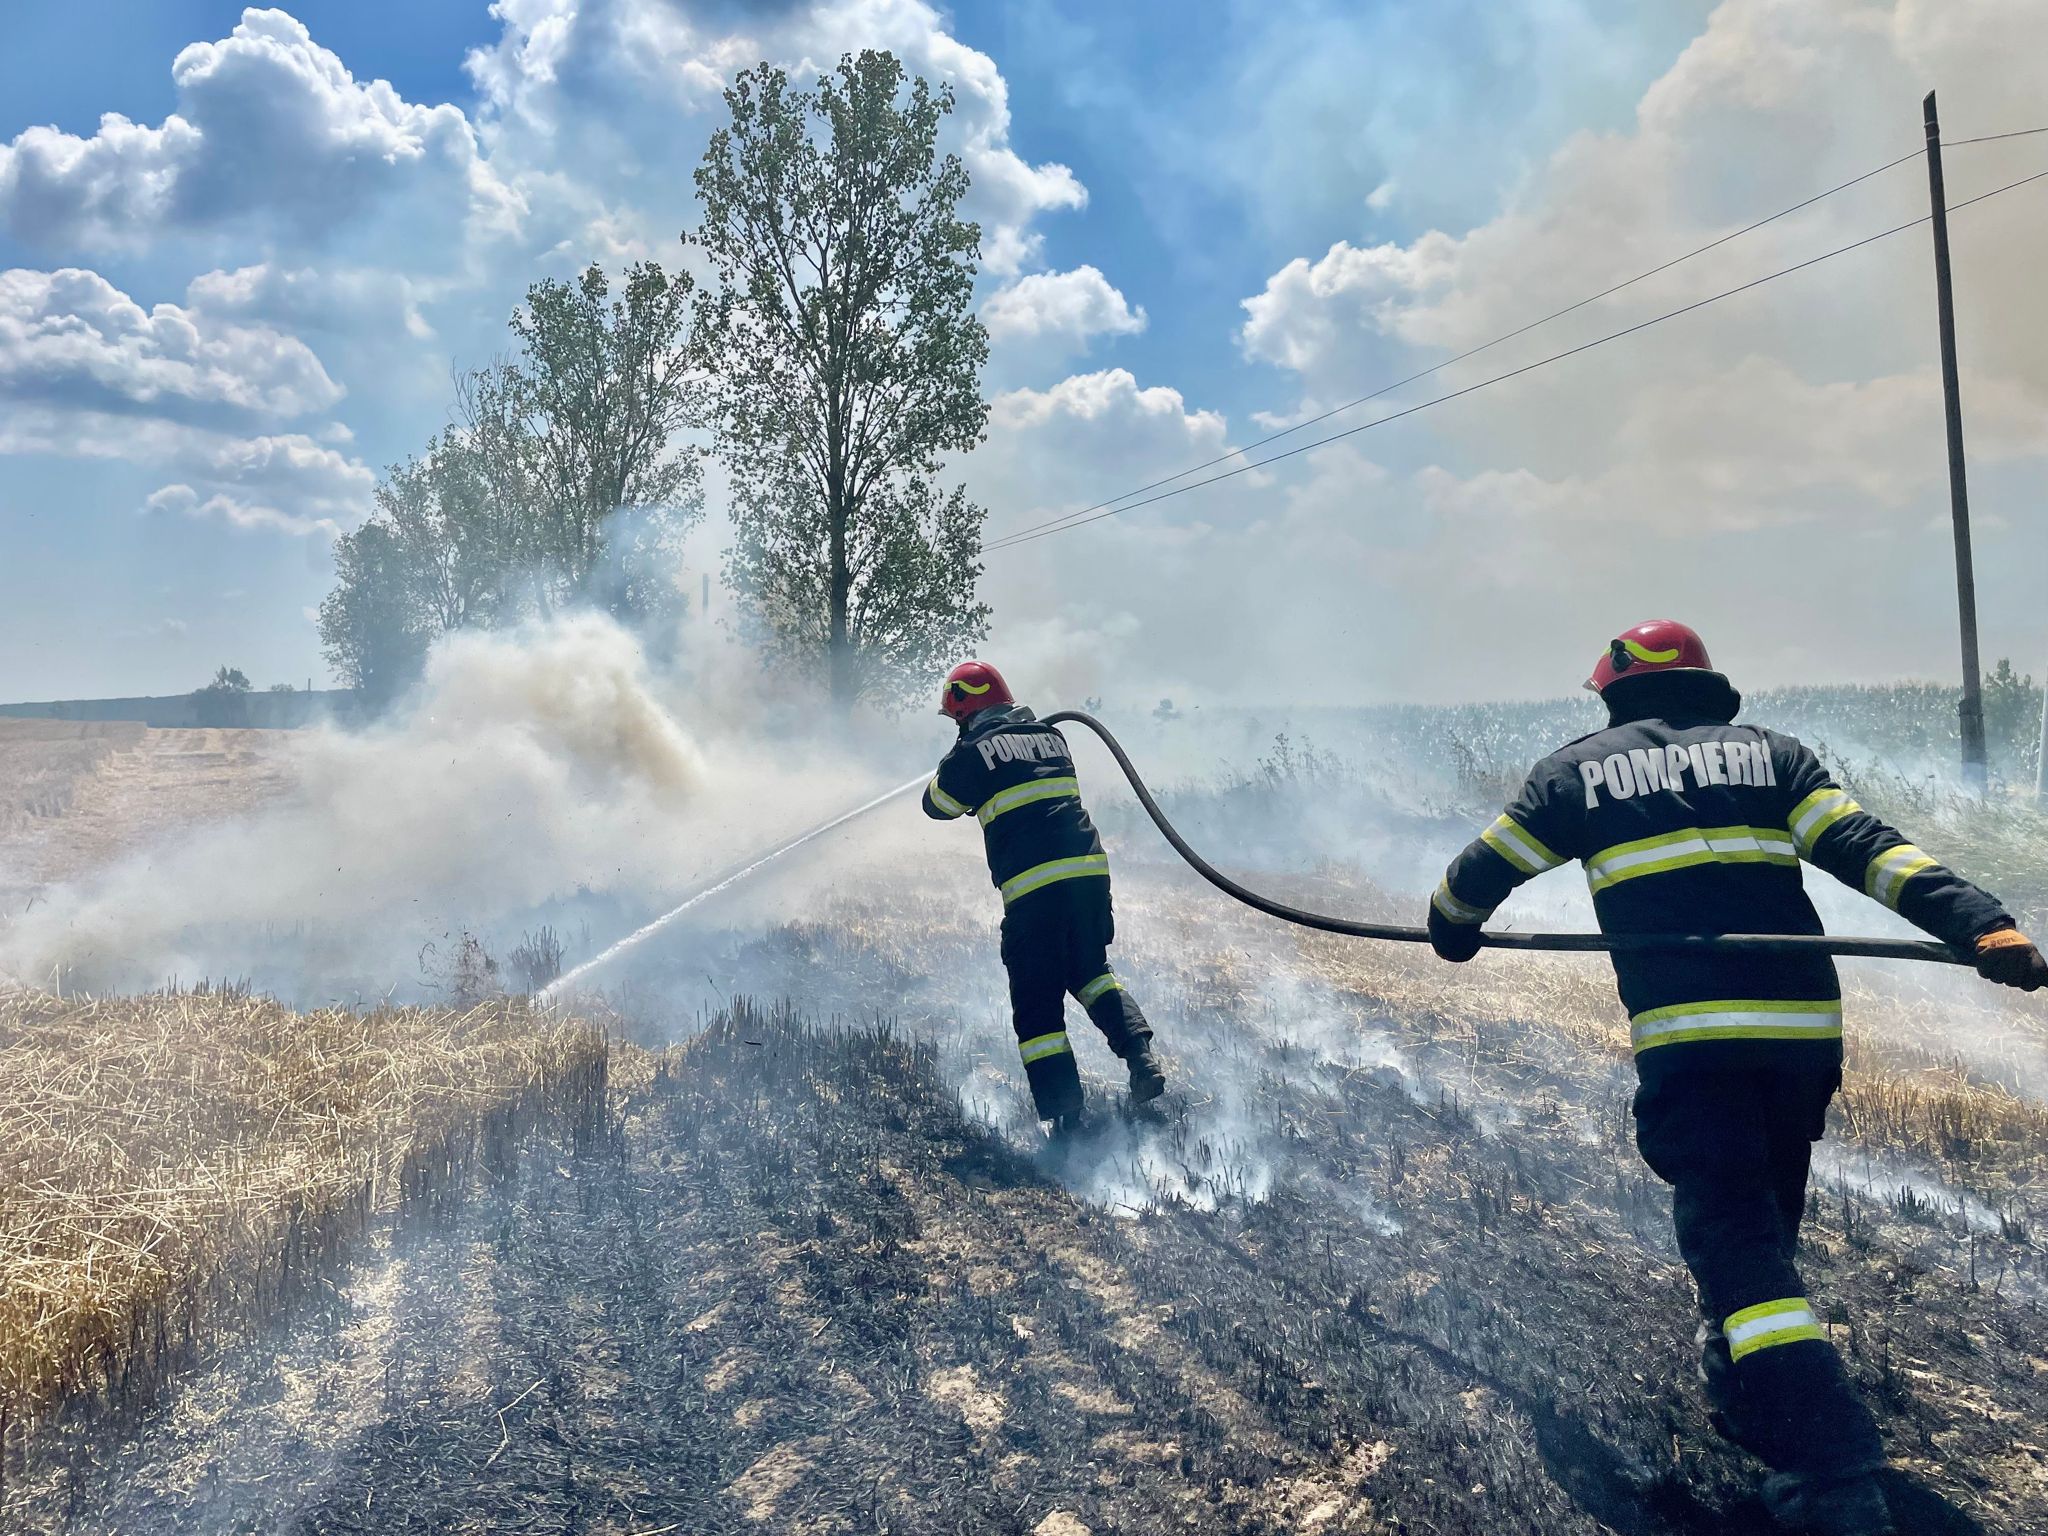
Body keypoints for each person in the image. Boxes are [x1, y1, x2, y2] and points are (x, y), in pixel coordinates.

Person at [1424, 619, 2047, 1536]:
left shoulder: (1574, 774)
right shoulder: (1772, 757)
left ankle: (1832, 1468)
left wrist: (1450, 925)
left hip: (1695, 1043)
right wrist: (1982, 923)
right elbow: (1872, 850)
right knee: (1760, 1231)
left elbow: (1479, 873)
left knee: (1738, 1250)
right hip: (1799, 1041)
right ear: (1705, 684)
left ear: (1614, 691)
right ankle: (1746, 1390)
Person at [923, 660, 1165, 1129]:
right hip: (1089, 880)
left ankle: (1068, 1124)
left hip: (1036, 891)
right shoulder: (1053, 739)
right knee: (1091, 972)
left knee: (1038, 1010)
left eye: (956, 719)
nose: (956, 727)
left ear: (966, 709)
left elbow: (937, 805)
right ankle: (1141, 1058)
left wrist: (956, 754)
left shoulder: (970, 753)